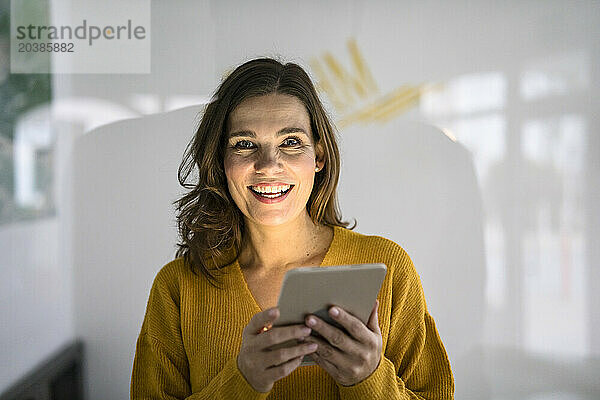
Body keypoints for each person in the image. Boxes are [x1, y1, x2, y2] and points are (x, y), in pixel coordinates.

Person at [130, 58, 454, 399]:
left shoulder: (389, 267)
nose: (269, 165)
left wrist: (370, 379)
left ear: (319, 156)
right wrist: (242, 382)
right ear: (220, 161)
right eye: (244, 144)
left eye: (290, 142)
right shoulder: (178, 286)